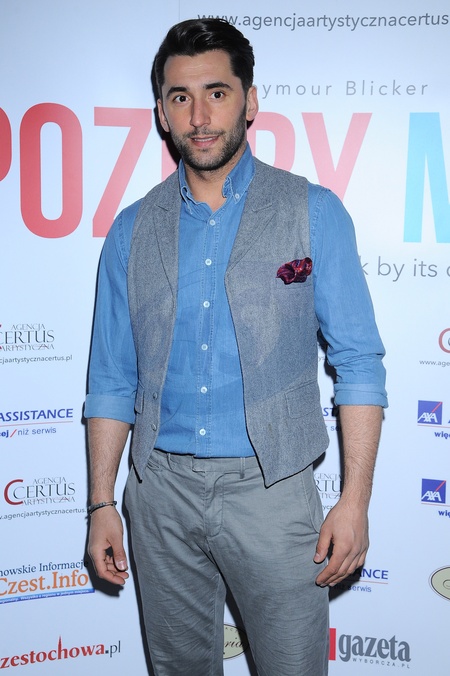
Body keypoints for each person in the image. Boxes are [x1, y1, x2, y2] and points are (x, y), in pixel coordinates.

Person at [85, 18, 387, 676]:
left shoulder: (314, 211)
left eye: (216, 93)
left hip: (272, 491)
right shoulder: (131, 231)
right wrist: (102, 502)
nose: (199, 116)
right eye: (181, 97)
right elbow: (111, 378)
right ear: (162, 112)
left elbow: (359, 364)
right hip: (159, 496)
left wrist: (355, 501)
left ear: (249, 102)